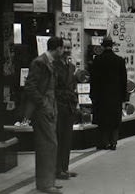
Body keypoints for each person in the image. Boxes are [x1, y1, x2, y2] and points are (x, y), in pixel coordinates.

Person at [24, 36, 64, 193]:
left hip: (49, 108)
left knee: (49, 145)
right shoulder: (40, 62)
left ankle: (48, 181)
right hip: (43, 110)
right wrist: (43, 103)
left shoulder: (48, 62)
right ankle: (46, 184)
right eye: (62, 48)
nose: (64, 51)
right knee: (48, 145)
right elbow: (30, 86)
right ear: (58, 48)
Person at [90, 36, 127, 150]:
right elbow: (123, 80)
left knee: (103, 120)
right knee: (115, 120)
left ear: (102, 45)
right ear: (112, 45)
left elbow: (93, 79)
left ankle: (105, 142)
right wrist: (123, 96)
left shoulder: (97, 60)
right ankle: (114, 142)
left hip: (101, 97)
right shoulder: (119, 60)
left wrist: (93, 95)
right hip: (116, 96)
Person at [53, 39, 79, 181]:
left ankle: (64, 167)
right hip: (59, 105)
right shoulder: (54, 66)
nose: (67, 50)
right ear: (60, 49)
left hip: (69, 107)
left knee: (67, 139)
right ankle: (57, 169)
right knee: (59, 138)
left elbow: (72, 86)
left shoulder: (71, 66)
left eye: (69, 47)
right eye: (65, 47)